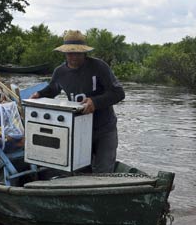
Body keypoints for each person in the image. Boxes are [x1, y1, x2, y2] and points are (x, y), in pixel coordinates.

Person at [30, 30, 125, 173]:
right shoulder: (60, 72)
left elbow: (118, 93)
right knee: (80, 169)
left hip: (104, 128)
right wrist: (39, 94)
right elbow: (53, 89)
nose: (73, 56)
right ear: (64, 53)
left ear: (84, 53)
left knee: (104, 171)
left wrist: (95, 102)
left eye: (77, 53)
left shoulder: (99, 67)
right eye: (70, 53)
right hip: (79, 129)